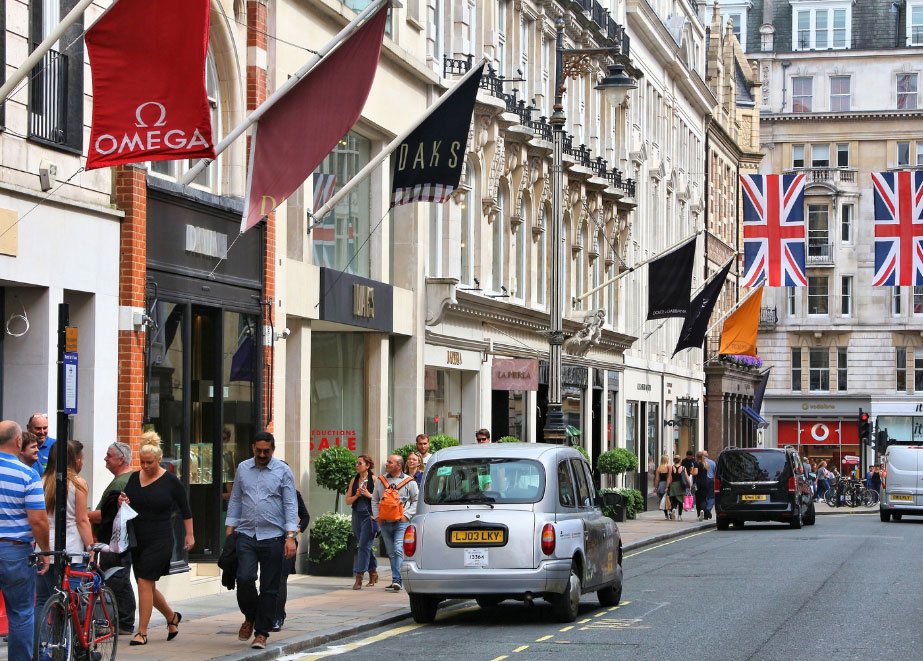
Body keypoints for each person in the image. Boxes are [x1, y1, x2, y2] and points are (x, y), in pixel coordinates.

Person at [119, 432, 194, 646]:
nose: (145, 466)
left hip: (160, 537)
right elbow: (127, 504)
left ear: (159, 459)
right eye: (142, 462)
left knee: (144, 582)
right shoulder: (134, 478)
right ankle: (172, 617)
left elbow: (185, 510)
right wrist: (122, 501)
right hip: (138, 537)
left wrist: (189, 535)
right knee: (147, 586)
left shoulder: (171, 481)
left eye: (149, 462)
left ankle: (141, 632)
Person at [226, 431, 298, 650]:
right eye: (258, 451)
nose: (262, 454)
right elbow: (236, 499)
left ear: (273, 450)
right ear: (253, 448)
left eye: (266, 451)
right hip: (246, 534)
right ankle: (250, 616)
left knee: (269, 588)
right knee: (244, 578)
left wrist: (290, 537)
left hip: (274, 537)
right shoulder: (243, 469)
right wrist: (230, 531)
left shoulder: (283, 471)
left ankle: (262, 633)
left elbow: (290, 504)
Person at [0, 421, 50, 661]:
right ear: (19, 442)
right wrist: (46, 551)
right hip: (15, 551)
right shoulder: (27, 474)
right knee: (20, 613)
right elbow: (38, 521)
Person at [34, 440, 95, 628]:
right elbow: (82, 520)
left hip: (44, 548)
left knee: (43, 600)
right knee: (70, 601)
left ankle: (42, 648)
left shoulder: (40, 481)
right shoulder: (77, 483)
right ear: (74, 460)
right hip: (71, 550)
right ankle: (66, 646)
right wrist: (91, 548)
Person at [87, 441, 137, 634]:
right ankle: (121, 620)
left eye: (109, 455)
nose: (106, 459)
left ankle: (123, 622)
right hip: (117, 538)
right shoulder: (125, 479)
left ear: (121, 459)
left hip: (115, 539)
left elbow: (106, 514)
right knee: (117, 577)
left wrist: (82, 515)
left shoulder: (122, 482)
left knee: (116, 577)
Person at [372, 454, 419, 592]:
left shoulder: (410, 482)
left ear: (399, 466)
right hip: (384, 521)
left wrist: (406, 515)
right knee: (391, 552)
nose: (386, 464)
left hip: (401, 522)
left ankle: (397, 579)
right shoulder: (380, 481)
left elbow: (416, 500)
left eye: (390, 462)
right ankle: (395, 578)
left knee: (398, 549)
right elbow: (374, 500)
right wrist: (377, 517)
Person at [273, 486, 309, 632]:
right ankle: (268, 614)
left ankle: (278, 616)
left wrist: (294, 532)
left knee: (280, 579)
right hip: (267, 541)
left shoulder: (294, 493)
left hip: (287, 541)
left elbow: (305, 516)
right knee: (268, 579)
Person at [345, 454, 378, 591]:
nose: (357, 466)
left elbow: (379, 499)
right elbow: (348, 501)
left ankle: (359, 577)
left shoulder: (375, 480)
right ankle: (373, 571)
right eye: (356, 463)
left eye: (360, 463)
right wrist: (357, 495)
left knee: (363, 545)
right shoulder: (354, 480)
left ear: (367, 466)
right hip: (357, 514)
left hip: (369, 516)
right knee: (364, 544)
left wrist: (368, 494)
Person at [666, 455, 689, 520]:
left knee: (674, 500)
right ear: (680, 460)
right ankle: (679, 516)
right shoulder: (683, 468)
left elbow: (669, 478)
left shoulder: (671, 468)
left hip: (673, 485)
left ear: (674, 460)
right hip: (681, 486)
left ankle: (673, 509)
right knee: (681, 501)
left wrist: (667, 486)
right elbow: (687, 477)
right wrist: (689, 485)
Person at [692, 451, 710, 520]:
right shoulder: (705, 463)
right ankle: (703, 511)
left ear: (696, 457)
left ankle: (699, 513)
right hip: (705, 482)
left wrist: (692, 472)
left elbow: (695, 473)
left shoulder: (697, 463)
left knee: (698, 499)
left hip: (698, 483)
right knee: (704, 499)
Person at [654, 455, 670, 519]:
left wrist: (656, 487)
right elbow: (669, 477)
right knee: (669, 498)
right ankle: (671, 511)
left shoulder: (659, 468)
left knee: (663, 500)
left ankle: (666, 514)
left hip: (661, 484)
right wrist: (668, 485)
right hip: (668, 484)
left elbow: (657, 479)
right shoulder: (669, 467)